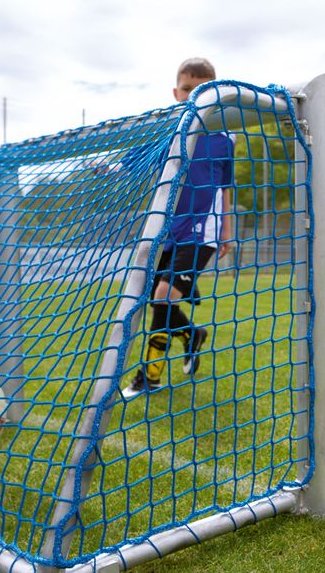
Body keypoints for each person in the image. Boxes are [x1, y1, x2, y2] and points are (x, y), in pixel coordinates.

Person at [122, 57, 234, 398]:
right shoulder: (168, 133)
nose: (194, 96)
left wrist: (227, 231)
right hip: (169, 231)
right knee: (158, 299)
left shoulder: (223, 137)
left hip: (204, 231)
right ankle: (191, 334)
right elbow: (133, 161)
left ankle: (149, 377)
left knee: (161, 297)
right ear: (176, 92)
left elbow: (226, 187)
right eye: (188, 89)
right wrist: (106, 166)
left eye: (203, 90)